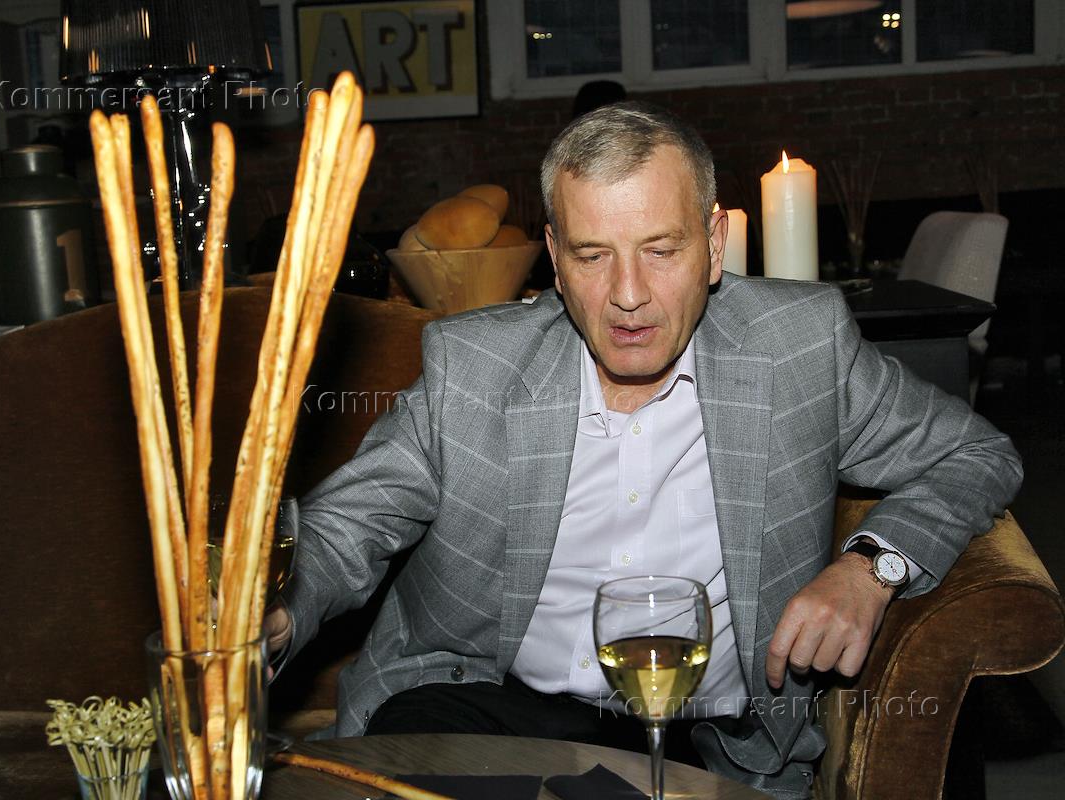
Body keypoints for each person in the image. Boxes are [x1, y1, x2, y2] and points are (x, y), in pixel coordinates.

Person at [264, 103, 1022, 797]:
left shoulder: (801, 350)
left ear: (714, 246)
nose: (628, 294)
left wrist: (870, 568)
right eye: (593, 255)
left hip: (701, 736)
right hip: (485, 706)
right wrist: (277, 611)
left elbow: (979, 455)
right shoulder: (474, 368)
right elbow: (346, 525)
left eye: (661, 250)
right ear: (554, 257)